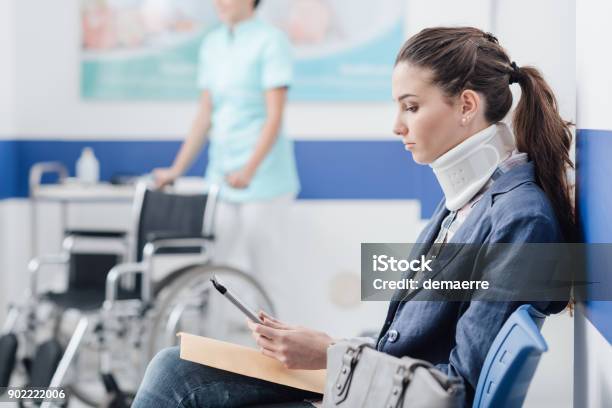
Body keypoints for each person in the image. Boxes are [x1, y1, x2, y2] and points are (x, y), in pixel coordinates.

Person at [133, 26, 574, 407]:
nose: (396, 126)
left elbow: (460, 387)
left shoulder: (518, 217)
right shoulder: (469, 201)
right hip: (379, 387)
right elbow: (406, 344)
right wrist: (331, 350)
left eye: (411, 106)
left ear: (465, 106)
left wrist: (329, 354)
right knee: (178, 365)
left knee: (176, 380)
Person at [152, 0, 300, 303]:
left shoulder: (271, 41)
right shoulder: (212, 44)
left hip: (264, 180)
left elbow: (274, 116)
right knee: (213, 272)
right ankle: (211, 348)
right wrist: (176, 170)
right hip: (221, 176)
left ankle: (278, 349)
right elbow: (204, 115)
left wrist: (249, 170)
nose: (218, 2)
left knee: (265, 273)